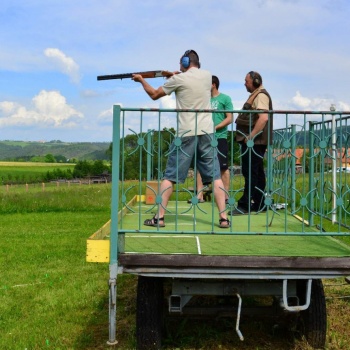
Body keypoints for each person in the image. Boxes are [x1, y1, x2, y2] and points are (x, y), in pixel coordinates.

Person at [132, 50, 230, 228]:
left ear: (185, 62)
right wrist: (173, 75)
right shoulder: (207, 76)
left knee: (170, 176)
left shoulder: (178, 80)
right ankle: (224, 218)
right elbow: (192, 80)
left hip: (186, 132)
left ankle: (159, 218)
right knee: (215, 176)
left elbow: (154, 95)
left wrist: (141, 80)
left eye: (180, 64)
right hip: (207, 132)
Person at [229, 71, 273, 215]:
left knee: (250, 172)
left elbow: (263, 118)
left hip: (255, 141)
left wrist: (251, 136)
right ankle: (259, 203)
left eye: (246, 81)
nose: (245, 84)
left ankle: (245, 205)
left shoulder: (260, 96)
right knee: (257, 172)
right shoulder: (258, 95)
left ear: (255, 81)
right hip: (256, 140)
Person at [190, 75, 233, 204]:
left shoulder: (225, 98)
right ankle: (199, 195)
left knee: (223, 167)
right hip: (204, 136)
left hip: (220, 137)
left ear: (213, 84)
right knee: (200, 165)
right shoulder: (204, 99)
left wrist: (216, 127)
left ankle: (225, 196)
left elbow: (230, 118)